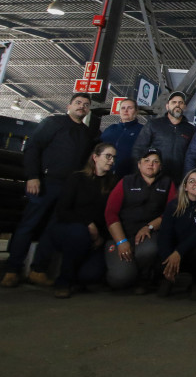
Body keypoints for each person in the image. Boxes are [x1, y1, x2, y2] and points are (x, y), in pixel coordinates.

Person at [2, 93, 92, 288]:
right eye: (78, 103)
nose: (82, 107)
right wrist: (33, 176)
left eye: (86, 105)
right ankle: (12, 270)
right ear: (69, 105)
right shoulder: (52, 123)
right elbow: (33, 148)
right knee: (28, 225)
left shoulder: (86, 133)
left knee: (52, 229)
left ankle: (38, 270)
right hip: (45, 183)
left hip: (67, 189)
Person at [44, 143, 118, 298]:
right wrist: (88, 224)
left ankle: (77, 277)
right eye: (108, 156)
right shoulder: (76, 178)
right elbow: (62, 210)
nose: (111, 161)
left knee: (90, 276)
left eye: (114, 157)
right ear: (95, 157)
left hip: (96, 237)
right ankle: (63, 282)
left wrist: (101, 237)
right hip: (68, 229)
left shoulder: (113, 183)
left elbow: (111, 214)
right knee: (79, 233)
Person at [104, 148, 176, 292]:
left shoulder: (167, 183)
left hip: (148, 236)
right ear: (139, 164)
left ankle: (144, 278)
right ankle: (128, 271)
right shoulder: (126, 181)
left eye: (155, 162)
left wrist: (149, 227)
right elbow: (110, 213)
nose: (151, 164)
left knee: (149, 250)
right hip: (122, 236)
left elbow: (171, 212)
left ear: (160, 166)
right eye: (147, 161)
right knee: (120, 279)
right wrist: (121, 241)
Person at [157, 170, 196, 300]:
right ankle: (168, 276)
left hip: (195, 251)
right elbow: (165, 234)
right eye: (192, 181)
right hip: (174, 253)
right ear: (185, 186)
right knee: (161, 249)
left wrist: (179, 252)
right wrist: (168, 259)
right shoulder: (173, 206)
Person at [132, 90, 195, 186]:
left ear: (184, 107)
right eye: (174, 102)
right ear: (167, 106)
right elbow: (139, 149)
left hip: (178, 181)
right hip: (154, 179)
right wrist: (139, 174)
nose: (177, 105)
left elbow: (192, 155)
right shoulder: (154, 124)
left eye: (181, 103)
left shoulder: (191, 130)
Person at [100, 98, 143, 177]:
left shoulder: (143, 130)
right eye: (123, 108)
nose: (125, 111)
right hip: (105, 173)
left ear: (136, 111)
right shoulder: (111, 129)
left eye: (130, 108)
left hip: (129, 174)